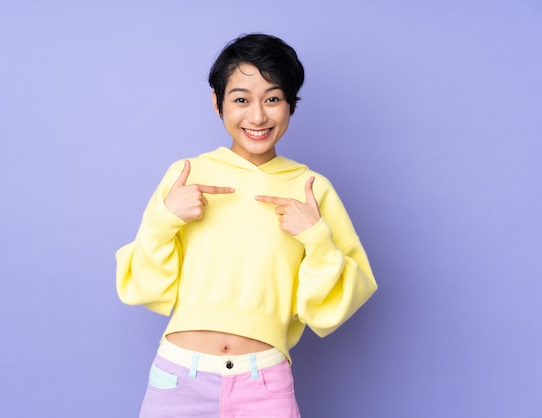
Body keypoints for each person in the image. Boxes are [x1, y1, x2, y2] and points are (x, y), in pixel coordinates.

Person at [116, 33, 377, 418]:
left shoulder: (311, 189)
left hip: (265, 384)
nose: (257, 116)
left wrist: (316, 238)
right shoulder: (187, 175)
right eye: (241, 99)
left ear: (290, 104)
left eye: (272, 99)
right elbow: (145, 286)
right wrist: (165, 221)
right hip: (179, 378)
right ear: (217, 102)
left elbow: (334, 302)